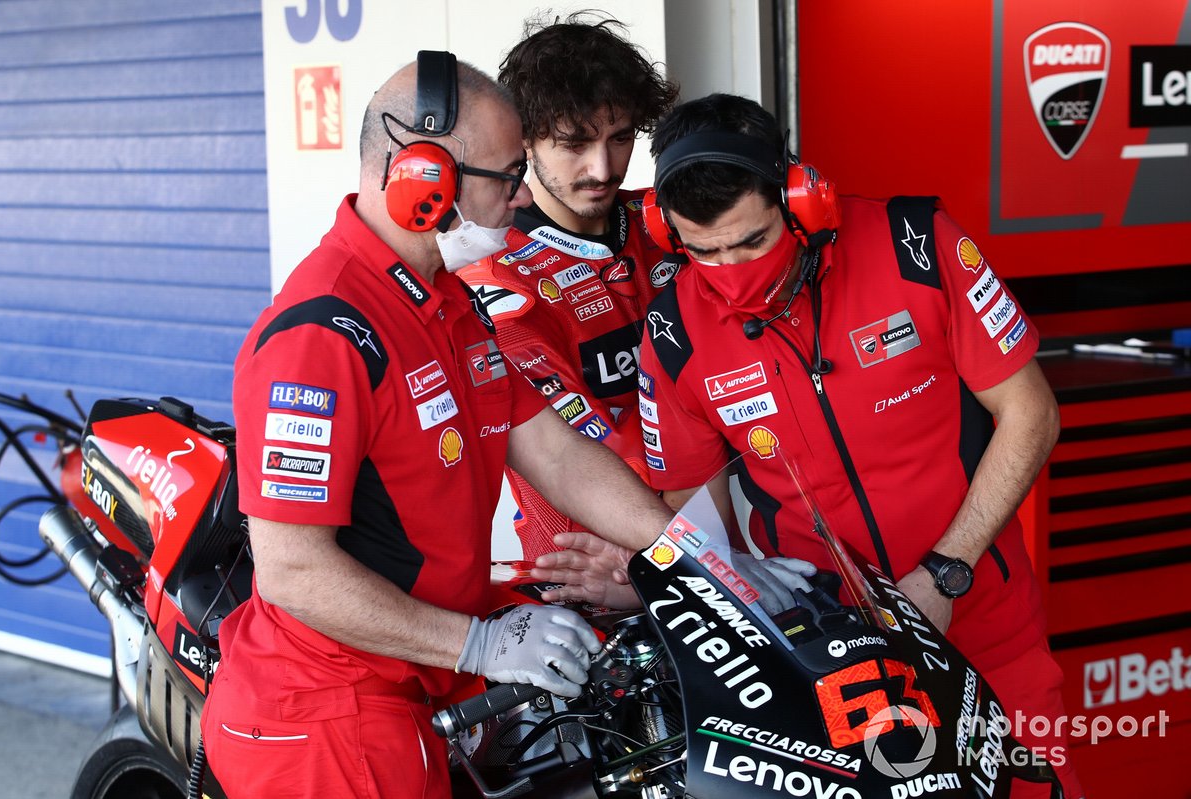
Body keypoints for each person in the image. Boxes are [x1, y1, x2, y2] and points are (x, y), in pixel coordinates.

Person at [540, 93, 1083, 799]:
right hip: (825, 663)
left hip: (984, 625)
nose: (732, 273)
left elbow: (1032, 413)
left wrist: (947, 572)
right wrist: (658, 578)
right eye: (704, 252)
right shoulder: (672, 334)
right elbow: (693, 512)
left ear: (802, 199)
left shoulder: (915, 245)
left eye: (753, 240)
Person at [198, 52, 686, 799]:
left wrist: (688, 557)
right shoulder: (322, 333)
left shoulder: (446, 301)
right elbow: (292, 569)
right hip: (330, 716)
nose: (522, 194)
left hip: (425, 682)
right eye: (507, 175)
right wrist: (479, 641)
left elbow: (556, 453)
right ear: (424, 182)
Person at [460, 14, 679, 560]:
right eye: (574, 143)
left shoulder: (671, 223)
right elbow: (576, 454)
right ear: (525, 141)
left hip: (705, 535)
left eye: (621, 137)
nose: (602, 168)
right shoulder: (497, 277)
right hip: (583, 568)